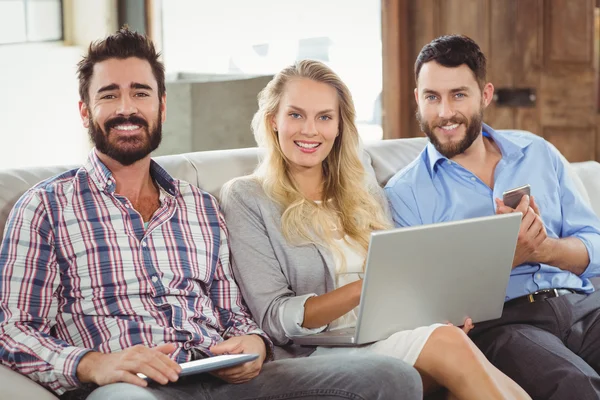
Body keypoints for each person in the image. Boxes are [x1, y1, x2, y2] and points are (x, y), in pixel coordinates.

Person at [0, 27, 425, 400]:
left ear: (161, 108)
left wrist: (254, 346)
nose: (127, 108)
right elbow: (11, 328)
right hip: (132, 386)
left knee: (394, 378)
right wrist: (92, 364)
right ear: (85, 111)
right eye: (109, 95)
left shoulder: (199, 205)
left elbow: (234, 312)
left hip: (223, 378)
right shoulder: (45, 207)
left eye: (141, 93)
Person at [220, 59, 530, 400]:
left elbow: (405, 275)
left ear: (339, 127)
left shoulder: (362, 191)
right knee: (448, 345)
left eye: (324, 117)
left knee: (452, 341)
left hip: (385, 334)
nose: (310, 130)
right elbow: (274, 319)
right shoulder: (247, 197)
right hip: (316, 353)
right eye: (296, 115)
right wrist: (364, 289)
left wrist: (439, 309)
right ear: (273, 121)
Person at [385, 34, 600, 400]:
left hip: (584, 304)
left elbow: (594, 246)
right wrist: (506, 259)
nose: (444, 112)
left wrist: (544, 249)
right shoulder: (404, 193)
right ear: (417, 100)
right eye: (431, 97)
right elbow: (423, 305)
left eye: (458, 94)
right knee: (575, 388)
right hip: (507, 324)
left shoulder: (538, 151)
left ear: (484, 95)